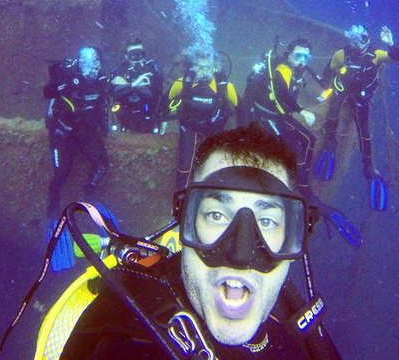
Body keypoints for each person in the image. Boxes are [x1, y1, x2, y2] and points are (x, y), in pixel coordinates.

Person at [60, 124, 343, 360]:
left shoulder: (292, 316)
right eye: (217, 215)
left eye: (267, 222)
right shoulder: (128, 338)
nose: (241, 255)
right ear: (185, 220)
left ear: (295, 235)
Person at [314, 26, 399, 209]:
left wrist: (391, 43)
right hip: (342, 93)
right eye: (356, 40)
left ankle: (368, 166)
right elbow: (329, 71)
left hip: (361, 98)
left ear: (367, 39)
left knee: (364, 131)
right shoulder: (342, 54)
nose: (359, 43)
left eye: (362, 39)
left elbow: (396, 57)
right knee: (333, 115)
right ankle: (330, 144)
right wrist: (326, 89)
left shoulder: (376, 55)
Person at [43, 46, 110, 217]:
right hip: (63, 132)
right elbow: (47, 92)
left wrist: (103, 125)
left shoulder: (101, 80)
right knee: (62, 173)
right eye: (88, 65)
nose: (92, 70)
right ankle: (53, 203)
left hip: (85, 131)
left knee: (102, 165)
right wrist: (64, 86)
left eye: (96, 65)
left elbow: (103, 103)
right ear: (80, 64)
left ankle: (88, 194)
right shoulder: (69, 76)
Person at [246, 38, 317, 193]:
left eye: (306, 57)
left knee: (310, 140)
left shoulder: (297, 70)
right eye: (298, 56)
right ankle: (295, 187)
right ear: (289, 54)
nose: (302, 61)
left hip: (281, 115)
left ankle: (301, 179)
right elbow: (284, 94)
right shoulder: (283, 69)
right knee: (294, 148)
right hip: (266, 115)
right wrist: (302, 111)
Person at [166, 49, 238, 190]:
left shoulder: (224, 87)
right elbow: (164, 102)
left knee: (215, 164)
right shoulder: (183, 83)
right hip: (189, 127)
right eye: (200, 68)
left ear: (214, 68)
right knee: (185, 165)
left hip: (214, 128)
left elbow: (239, 107)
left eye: (208, 68)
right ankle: (181, 197)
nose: (204, 72)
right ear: (193, 67)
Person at [110, 36, 164, 134]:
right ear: (126, 56)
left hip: (149, 115)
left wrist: (127, 85)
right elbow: (112, 91)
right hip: (126, 117)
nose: (138, 58)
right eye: (133, 55)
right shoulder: (120, 70)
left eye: (140, 54)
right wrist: (136, 84)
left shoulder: (152, 67)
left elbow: (157, 90)